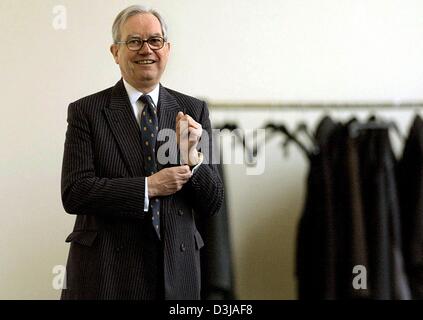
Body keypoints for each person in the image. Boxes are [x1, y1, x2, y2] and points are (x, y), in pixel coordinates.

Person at [60, 5, 224, 300]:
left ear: (167, 49)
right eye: (134, 41)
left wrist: (194, 160)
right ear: (115, 52)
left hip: (177, 274)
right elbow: (75, 192)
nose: (145, 49)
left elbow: (213, 203)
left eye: (155, 40)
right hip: (107, 274)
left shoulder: (195, 110)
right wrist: (148, 187)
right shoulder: (86, 111)